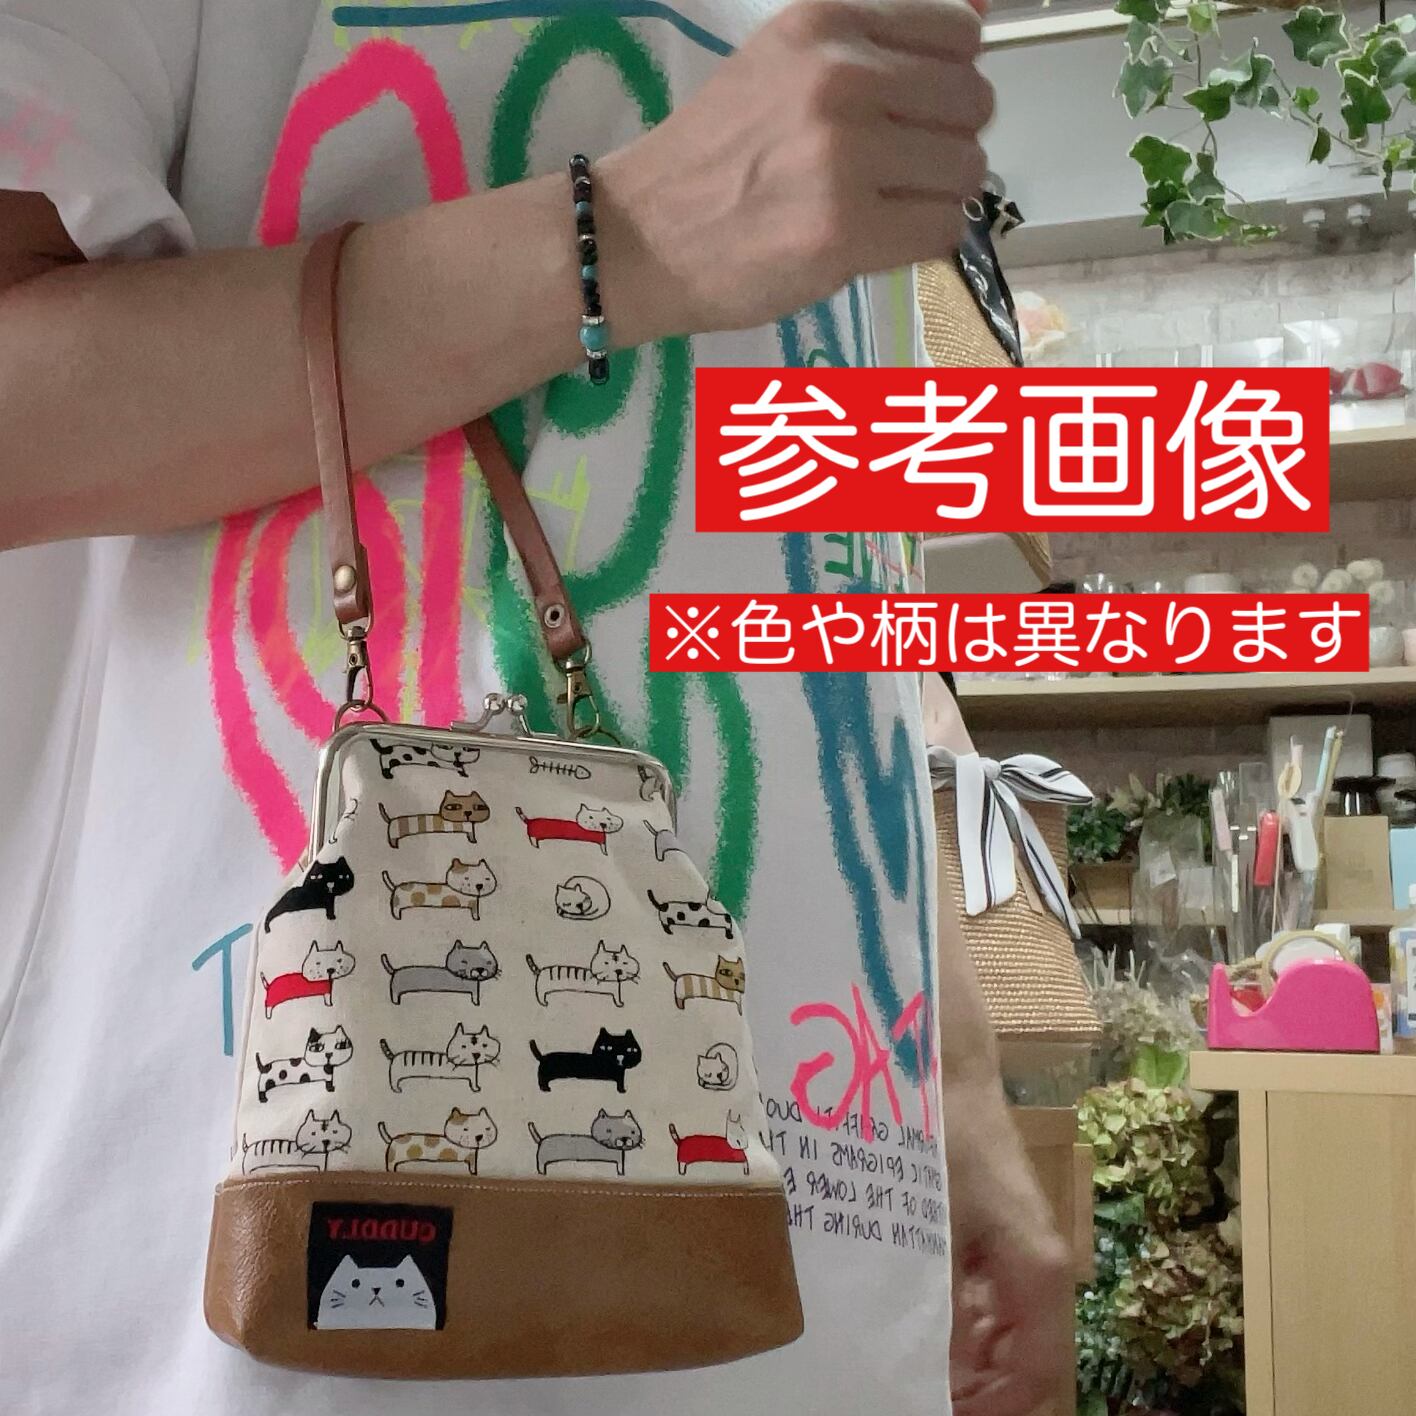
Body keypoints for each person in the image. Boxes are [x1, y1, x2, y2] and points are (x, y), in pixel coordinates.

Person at [0, 0, 1069, 1412]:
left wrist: (951, 1068)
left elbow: (832, 591)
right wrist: (627, 238)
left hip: (821, 1229)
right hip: (311, 1241)